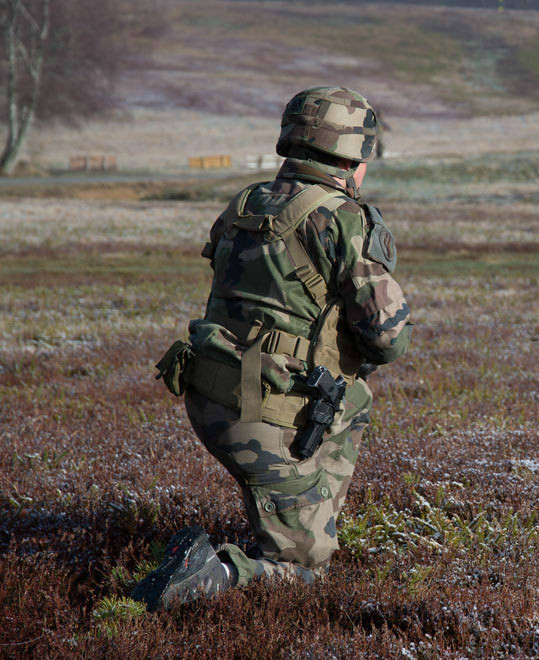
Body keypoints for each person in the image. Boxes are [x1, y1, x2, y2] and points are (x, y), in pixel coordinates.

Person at [134, 86, 412, 611]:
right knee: (303, 569)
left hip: (209, 390)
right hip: (267, 410)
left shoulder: (244, 202)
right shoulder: (347, 220)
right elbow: (388, 339)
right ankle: (212, 573)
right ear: (355, 157)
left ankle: (296, 515)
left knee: (348, 402)